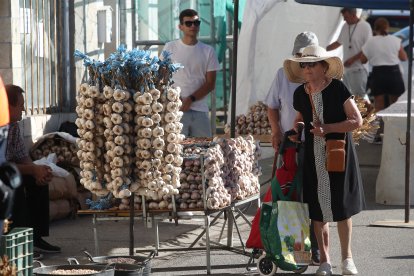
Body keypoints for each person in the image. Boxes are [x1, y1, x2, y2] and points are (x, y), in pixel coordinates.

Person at [284, 45, 365, 276]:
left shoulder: (338, 88)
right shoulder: (300, 93)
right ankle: (325, 262)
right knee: (317, 210)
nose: (307, 68)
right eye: (304, 64)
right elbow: (299, 119)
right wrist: (296, 130)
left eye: (312, 64)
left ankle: (347, 259)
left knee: (342, 208)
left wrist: (327, 129)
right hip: (312, 154)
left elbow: (356, 120)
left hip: (338, 153)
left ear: (324, 66)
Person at [265, 31, 320, 265]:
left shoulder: (322, 78)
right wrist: (276, 130)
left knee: (314, 196)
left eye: (310, 57)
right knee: (291, 195)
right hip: (291, 144)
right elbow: (272, 106)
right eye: (301, 56)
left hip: (317, 143)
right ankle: (294, 247)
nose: (305, 62)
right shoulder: (282, 75)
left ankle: (314, 247)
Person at [5, 84, 61, 255]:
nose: (23, 109)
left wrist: (38, 173)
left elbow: (23, 157)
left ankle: (35, 237)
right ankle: (19, 242)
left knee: (37, 181)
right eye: (20, 105)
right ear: (8, 106)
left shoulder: (14, 127)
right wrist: (31, 170)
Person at [163, 8, 220, 137]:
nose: (193, 26)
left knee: (203, 151)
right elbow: (162, 77)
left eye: (196, 23)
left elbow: (211, 83)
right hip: (175, 110)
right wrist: (175, 99)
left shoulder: (208, 51)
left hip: (200, 111)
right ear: (180, 27)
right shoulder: (170, 47)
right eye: (188, 23)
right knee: (176, 152)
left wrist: (190, 99)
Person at [361, 17, 407, 112]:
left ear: (375, 28)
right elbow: (404, 57)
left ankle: (380, 126)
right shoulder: (395, 40)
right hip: (394, 72)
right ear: (388, 27)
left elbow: (363, 60)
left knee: (379, 104)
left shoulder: (370, 42)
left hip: (378, 73)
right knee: (395, 103)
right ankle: (394, 124)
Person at [326, 7, 372, 100]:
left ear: (353, 15)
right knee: (347, 96)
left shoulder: (365, 26)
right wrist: (324, 48)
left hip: (359, 68)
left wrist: (352, 59)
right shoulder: (345, 26)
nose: (344, 19)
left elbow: (368, 48)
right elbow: (339, 42)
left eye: (346, 16)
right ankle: (354, 114)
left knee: (359, 95)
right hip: (347, 69)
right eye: (343, 17)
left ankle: (366, 114)